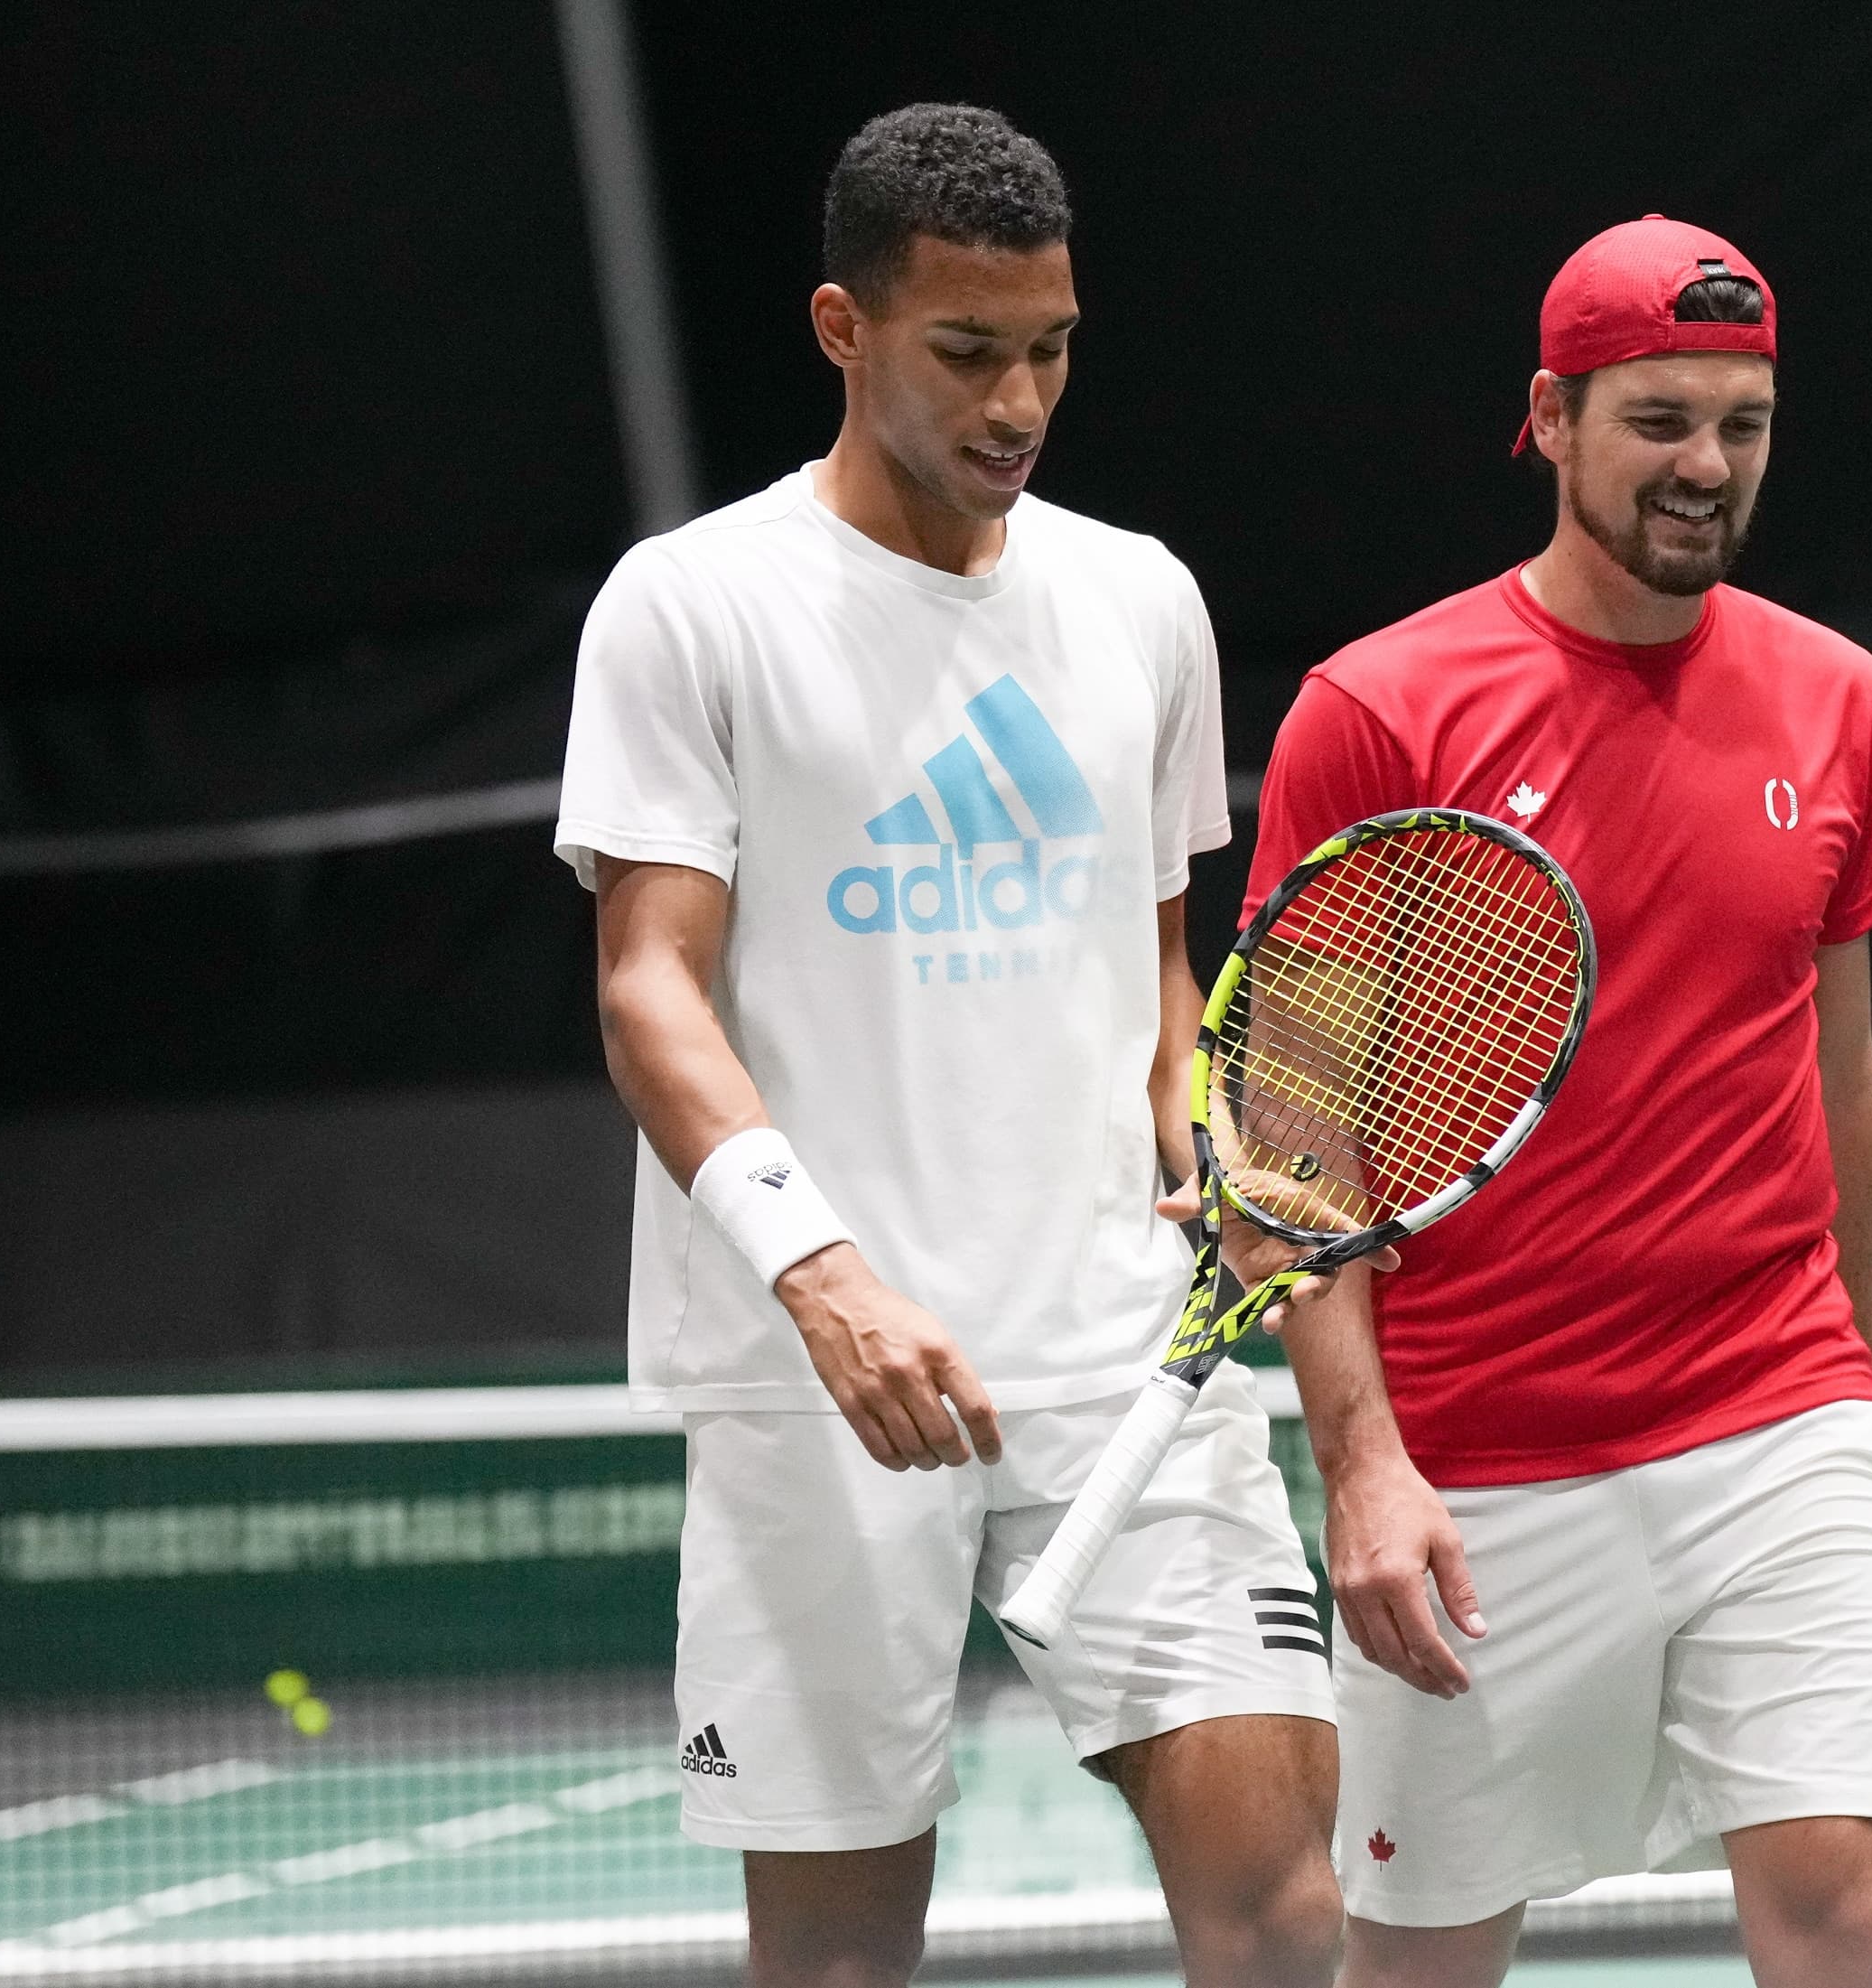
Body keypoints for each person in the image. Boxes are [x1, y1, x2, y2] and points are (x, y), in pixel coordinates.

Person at [554, 104, 1340, 1988]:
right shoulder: (693, 604)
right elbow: (649, 986)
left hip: (1120, 1357)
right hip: (818, 1379)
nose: (1020, 402)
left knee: (1285, 1910)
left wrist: (1205, 1123)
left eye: (1052, 349)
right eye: (969, 351)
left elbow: (1158, 966)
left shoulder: (1140, 599)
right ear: (844, 327)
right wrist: (820, 1274)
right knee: (840, 1961)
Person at [1241, 216, 1872, 1988]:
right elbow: (1293, 1137)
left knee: (1850, 1911)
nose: (1708, 465)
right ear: (1550, 419)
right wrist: (1360, 1466)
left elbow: (1843, 1075)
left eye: (1743, 424)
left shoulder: (1835, 695)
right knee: (1425, 1962)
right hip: (1479, 1460)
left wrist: (1858, 1393)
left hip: (1778, 1415)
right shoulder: (1376, 713)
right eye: (1660, 420)